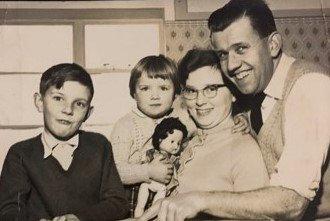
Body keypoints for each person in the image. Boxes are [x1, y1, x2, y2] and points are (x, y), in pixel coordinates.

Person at [139, 0, 330, 220]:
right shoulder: (255, 89)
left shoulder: (309, 86)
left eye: (241, 48)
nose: (231, 65)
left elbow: (292, 201)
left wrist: (199, 200)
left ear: (273, 44)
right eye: (223, 54)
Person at [110, 54, 249, 217]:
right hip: (136, 192)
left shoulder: (183, 116)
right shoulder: (125, 126)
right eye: (145, 88)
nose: (154, 96)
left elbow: (212, 122)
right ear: (133, 93)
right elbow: (114, 172)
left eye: (163, 88)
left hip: (172, 192)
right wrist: (148, 171)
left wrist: (240, 117)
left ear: (176, 93)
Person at [140, 48, 269, 220]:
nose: (200, 101)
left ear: (233, 93)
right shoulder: (188, 137)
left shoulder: (244, 151)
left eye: (211, 89)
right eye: (192, 91)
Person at [0, 63, 129, 221]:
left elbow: (118, 203)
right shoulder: (20, 153)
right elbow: (10, 210)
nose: (68, 110)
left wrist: (79, 218)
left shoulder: (99, 145)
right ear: (40, 101)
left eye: (79, 103)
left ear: (88, 113)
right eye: (58, 98)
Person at [134, 117, 188, 218]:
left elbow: (175, 172)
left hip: (162, 186)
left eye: (178, 143)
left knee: (162, 190)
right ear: (160, 139)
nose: (176, 146)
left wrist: (174, 184)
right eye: (172, 141)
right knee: (144, 186)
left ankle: (152, 212)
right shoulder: (152, 153)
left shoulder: (173, 159)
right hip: (149, 182)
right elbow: (144, 164)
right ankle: (140, 209)